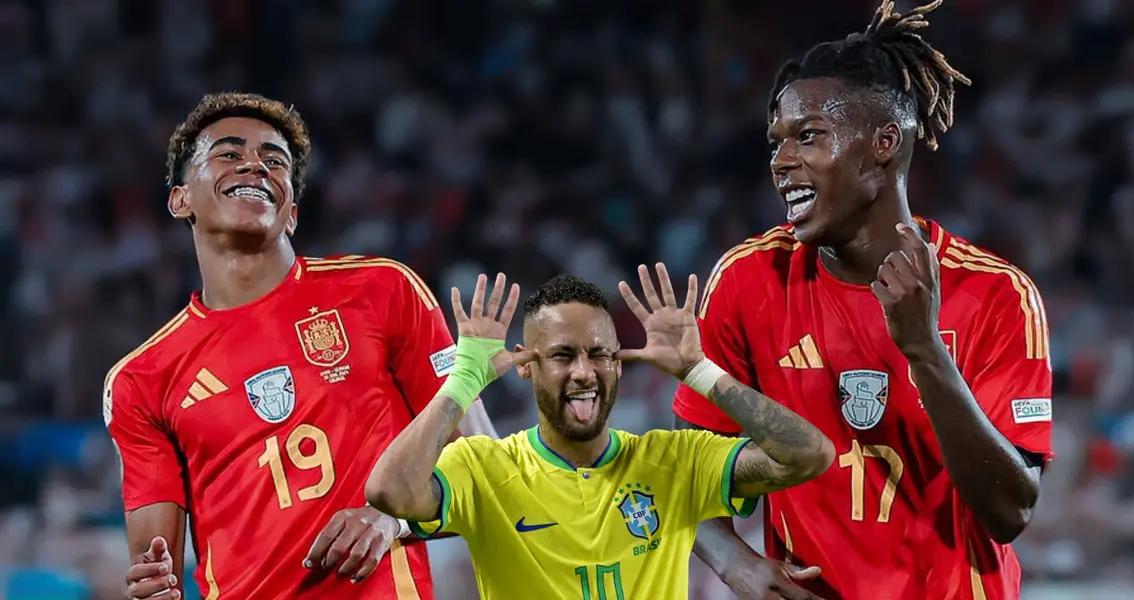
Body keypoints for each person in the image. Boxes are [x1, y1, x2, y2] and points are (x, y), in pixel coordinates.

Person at [675, 2, 1052, 599]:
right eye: (776, 142)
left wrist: (925, 350)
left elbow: (1010, 513)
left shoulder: (996, 294)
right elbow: (683, 470)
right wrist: (735, 563)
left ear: (883, 143)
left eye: (809, 136)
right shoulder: (748, 281)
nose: (781, 162)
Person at [103, 92, 496, 600]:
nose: (254, 165)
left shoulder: (381, 291)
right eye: (228, 152)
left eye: (275, 161)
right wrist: (152, 589)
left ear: (290, 211)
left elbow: (486, 466)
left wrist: (392, 518)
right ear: (181, 199)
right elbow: (155, 571)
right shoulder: (142, 378)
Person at [365, 265, 836, 599]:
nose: (585, 372)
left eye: (600, 354)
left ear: (620, 364)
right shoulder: (485, 468)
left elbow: (808, 455)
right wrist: (464, 383)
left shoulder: (675, 461)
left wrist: (700, 372)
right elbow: (389, 490)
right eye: (562, 356)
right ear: (526, 367)